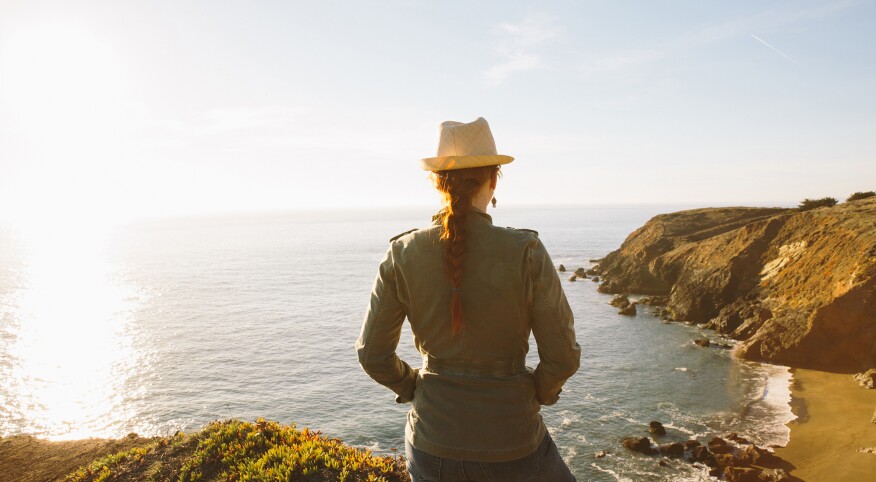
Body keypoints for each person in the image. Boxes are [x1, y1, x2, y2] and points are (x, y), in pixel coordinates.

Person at [355, 117, 581, 482]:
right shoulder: (526, 250)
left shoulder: (402, 252)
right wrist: (534, 393)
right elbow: (563, 357)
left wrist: (414, 386)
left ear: (437, 183)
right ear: (493, 180)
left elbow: (372, 354)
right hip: (513, 439)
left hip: (432, 444)